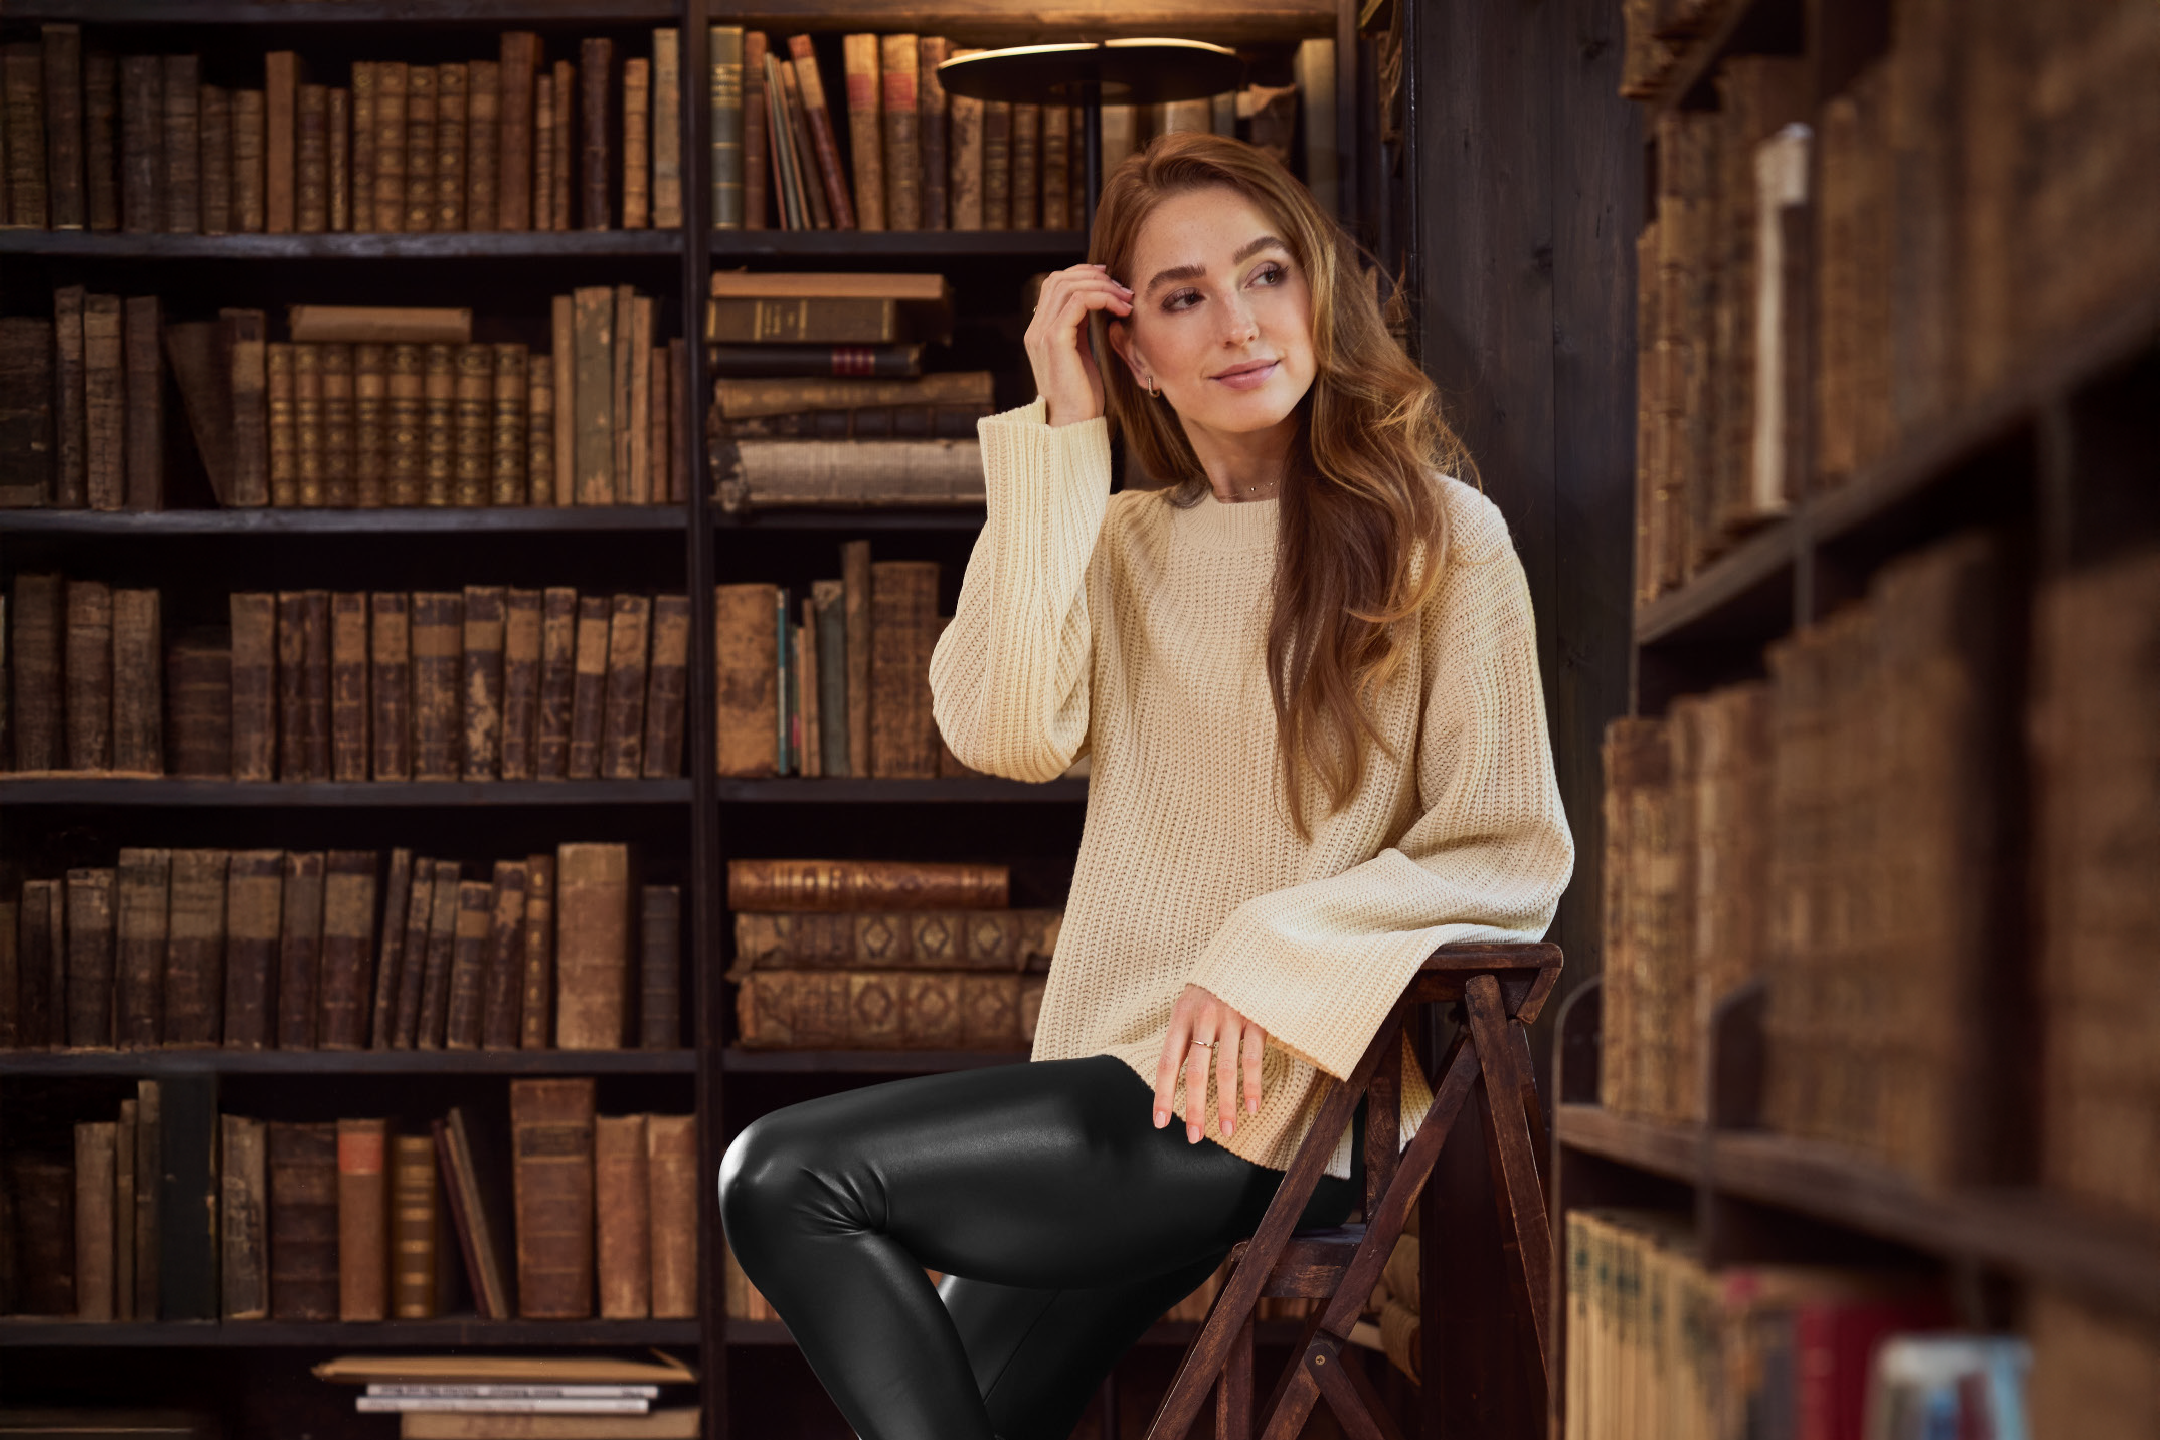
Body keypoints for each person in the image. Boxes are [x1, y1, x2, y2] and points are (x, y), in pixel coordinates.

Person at [718, 131, 1574, 1440]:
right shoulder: (1117, 545)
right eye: (1183, 297)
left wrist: (1272, 944)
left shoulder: (1440, 536)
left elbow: (1507, 855)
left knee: (783, 1176)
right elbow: (999, 729)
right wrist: (1063, 434)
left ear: (1315, 293)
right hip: (1106, 1085)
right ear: (1134, 347)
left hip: (1262, 1107)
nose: (1239, 323)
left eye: (1266, 274)